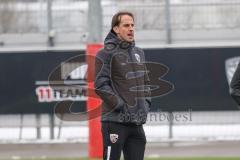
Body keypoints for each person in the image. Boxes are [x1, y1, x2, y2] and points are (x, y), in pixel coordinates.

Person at [94, 11, 151, 160]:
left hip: (136, 123)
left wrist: (145, 104)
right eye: (126, 25)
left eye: (132, 25)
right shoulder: (105, 53)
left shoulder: (139, 53)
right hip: (115, 121)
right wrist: (120, 105)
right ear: (116, 29)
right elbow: (100, 84)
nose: (131, 28)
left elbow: (146, 83)